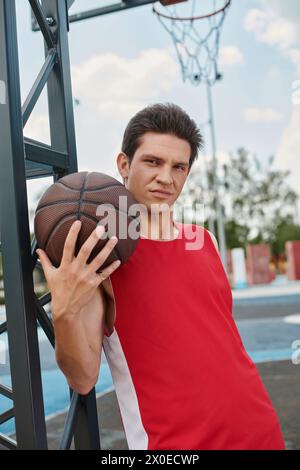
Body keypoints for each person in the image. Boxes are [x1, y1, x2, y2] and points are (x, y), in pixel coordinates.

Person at [37, 103, 285, 450]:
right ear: (124, 164)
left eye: (178, 167)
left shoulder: (205, 241)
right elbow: (82, 378)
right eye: (153, 162)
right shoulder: (101, 258)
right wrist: (63, 310)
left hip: (259, 431)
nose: (166, 178)